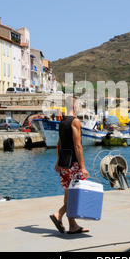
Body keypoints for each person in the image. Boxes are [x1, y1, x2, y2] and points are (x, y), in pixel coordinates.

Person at [50, 95, 90, 234]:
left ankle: (72, 226)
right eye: (78, 104)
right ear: (74, 106)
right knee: (77, 194)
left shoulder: (62, 122)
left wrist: (58, 161)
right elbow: (78, 146)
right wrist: (83, 167)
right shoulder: (75, 121)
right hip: (74, 164)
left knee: (68, 193)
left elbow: (59, 144)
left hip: (64, 163)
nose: (79, 107)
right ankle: (59, 214)